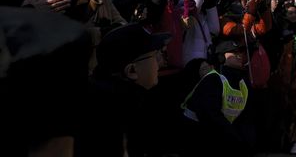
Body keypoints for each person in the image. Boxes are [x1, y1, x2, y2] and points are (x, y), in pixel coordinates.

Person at [75, 23, 169, 157]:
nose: (160, 61)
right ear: (131, 70)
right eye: (154, 55)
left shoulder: (115, 98)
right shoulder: (120, 113)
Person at [180, 38, 255, 156]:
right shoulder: (213, 79)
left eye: (240, 52)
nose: (239, 55)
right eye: (234, 52)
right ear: (221, 57)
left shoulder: (242, 82)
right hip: (198, 136)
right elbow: (210, 115)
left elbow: (246, 117)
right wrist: (235, 138)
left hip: (221, 135)